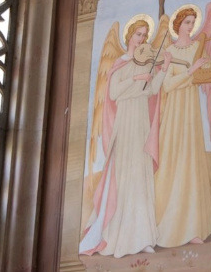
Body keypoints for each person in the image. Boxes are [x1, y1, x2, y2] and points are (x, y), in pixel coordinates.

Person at [80, 19, 172, 258]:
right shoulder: (120, 63)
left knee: (140, 176)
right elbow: (113, 93)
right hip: (125, 123)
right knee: (124, 177)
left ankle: (143, 237)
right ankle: (119, 237)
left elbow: (152, 91)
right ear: (129, 36)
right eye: (138, 34)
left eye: (144, 35)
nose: (141, 39)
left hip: (140, 122)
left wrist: (162, 69)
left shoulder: (147, 62)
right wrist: (136, 79)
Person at [154, 7, 211, 248]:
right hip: (174, 114)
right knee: (172, 164)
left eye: (193, 22)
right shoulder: (170, 51)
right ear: (178, 25)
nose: (191, 26)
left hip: (190, 114)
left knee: (190, 164)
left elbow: (209, 75)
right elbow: (167, 85)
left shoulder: (197, 47)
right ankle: (166, 225)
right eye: (187, 22)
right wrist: (191, 71)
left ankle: (192, 228)